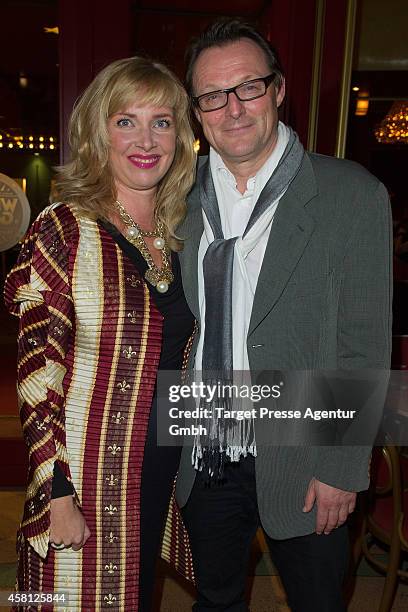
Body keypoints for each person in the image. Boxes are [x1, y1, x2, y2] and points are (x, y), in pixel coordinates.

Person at [174, 19, 392, 612]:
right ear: (197, 113)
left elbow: (363, 346)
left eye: (249, 87)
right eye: (213, 96)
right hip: (206, 449)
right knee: (215, 601)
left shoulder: (351, 195)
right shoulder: (176, 199)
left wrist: (342, 467)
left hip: (305, 454)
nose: (233, 108)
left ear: (278, 89)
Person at [4, 56, 196, 611]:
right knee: (78, 600)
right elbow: (38, 374)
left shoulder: (180, 231)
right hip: (89, 471)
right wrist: (57, 492)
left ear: (180, 137)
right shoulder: (65, 226)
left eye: (161, 121)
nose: (145, 138)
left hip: (160, 460)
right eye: (125, 120)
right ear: (97, 131)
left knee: (133, 594)